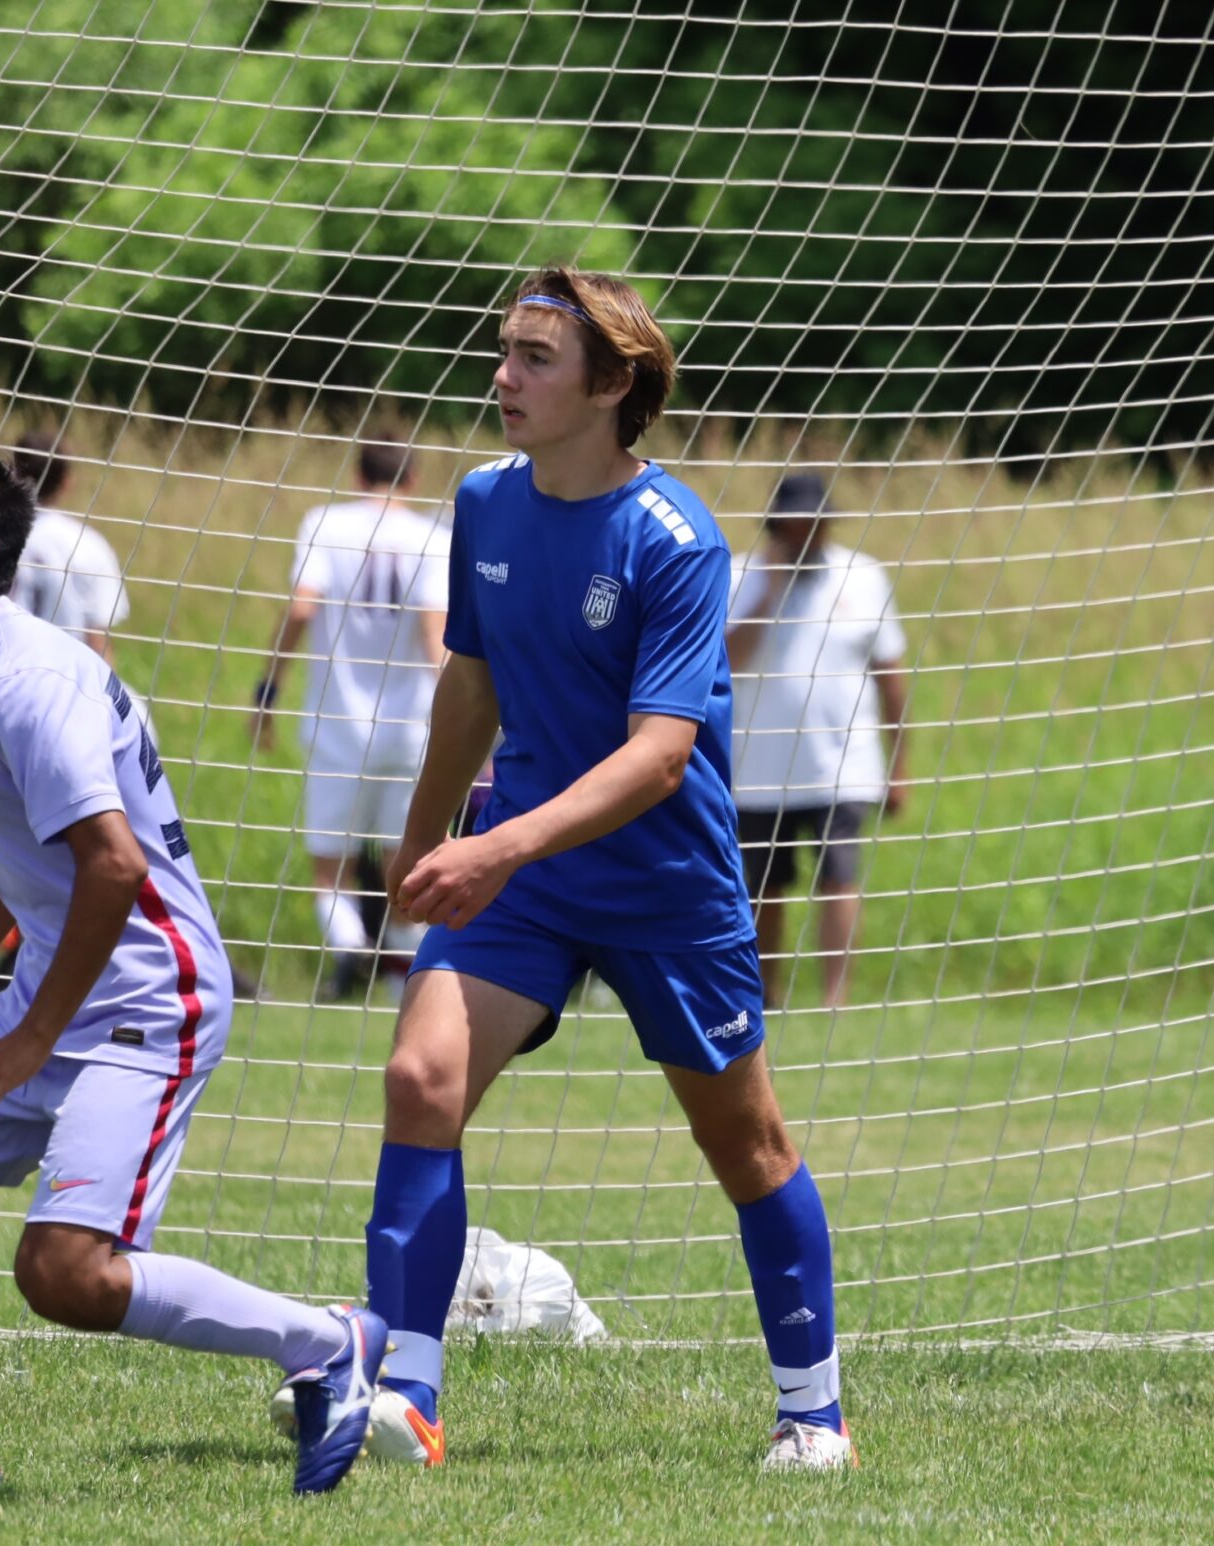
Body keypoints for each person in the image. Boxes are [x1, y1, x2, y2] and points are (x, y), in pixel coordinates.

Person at [337, 267, 851, 1472]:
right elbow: (471, 682)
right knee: (421, 1079)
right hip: (526, 879)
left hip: (664, 888)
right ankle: (407, 1395)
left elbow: (662, 756)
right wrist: (422, 842)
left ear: (614, 385)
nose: (502, 376)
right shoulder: (481, 502)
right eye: (503, 350)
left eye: (534, 358)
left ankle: (813, 1416)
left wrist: (495, 843)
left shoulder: (675, 538)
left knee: (748, 1143)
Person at [0, 422, 385, 1495]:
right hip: (62, 985)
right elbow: (16, 855)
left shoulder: (29, 680)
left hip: (146, 998)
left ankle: (328, 1342)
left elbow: (113, 866)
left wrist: (31, 1035)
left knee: (65, 1274)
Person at [250, 441, 450, 999]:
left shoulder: (325, 524)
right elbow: (436, 637)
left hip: (338, 727)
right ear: (412, 477)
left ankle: (350, 956)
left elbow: (301, 608)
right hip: (412, 729)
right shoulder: (432, 537)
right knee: (405, 867)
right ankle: (402, 987)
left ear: (359, 475)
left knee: (328, 870)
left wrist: (267, 689)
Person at [726, 472, 910, 1009]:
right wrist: (770, 592)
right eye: (796, 526)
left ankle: (836, 1001)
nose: (807, 536)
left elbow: (891, 677)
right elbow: (725, 662)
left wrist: (899, 767)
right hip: (755, 770)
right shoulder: (738, 576)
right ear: (775, 526)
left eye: (817, 525)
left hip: (844, 766)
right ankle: (765, 1000)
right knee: (764, 890)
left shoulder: (865, 576)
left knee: (839, 879)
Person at [9, 432, 131, 661]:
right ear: (66, 482)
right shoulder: (89, 545)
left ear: (12, 473)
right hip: (65, 682)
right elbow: (96, 637)